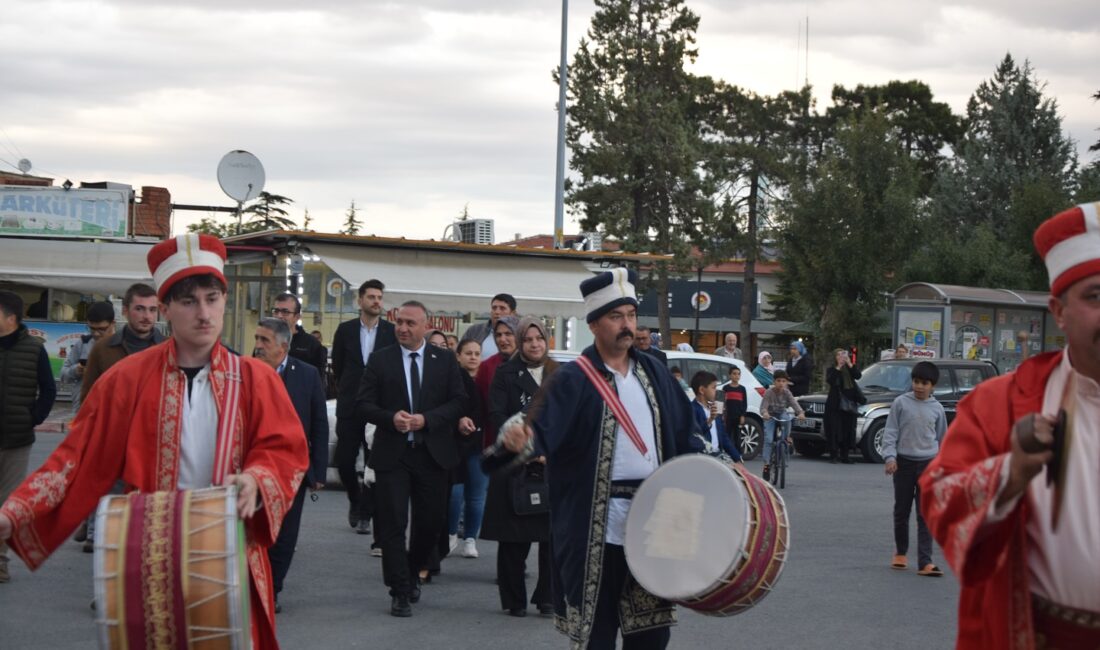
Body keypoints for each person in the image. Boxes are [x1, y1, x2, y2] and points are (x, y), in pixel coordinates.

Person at [0, 234, 308, 647]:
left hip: (231, 553)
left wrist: (256, 477)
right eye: (188, 301)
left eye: (212, 298)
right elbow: (77, 458)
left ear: (224, 300)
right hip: (152, 554)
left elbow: (284, 450)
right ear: (165, 309)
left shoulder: (256, 379)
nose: (204, 313)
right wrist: (15, 512)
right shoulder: (127, 379)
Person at [919, 203, 1100, 648]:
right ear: (1059, 311)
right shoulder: (1000, 403)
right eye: (1096, 296)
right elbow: (938, 496)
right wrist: (1009, 473)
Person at [497, 268, 703, 649]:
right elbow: (540, 429)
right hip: (595, 526)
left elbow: (685, 431)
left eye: (630, 315)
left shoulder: (655, 372)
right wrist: (521, 437)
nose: (627, 325)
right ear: (593, 324)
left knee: (651, 637)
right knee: (597, 636)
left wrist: (715, 470)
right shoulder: (573, 379)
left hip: (654, 526)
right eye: (615, 316)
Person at [357, 301, 470, 618]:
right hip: (393, 455)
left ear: (425, 325)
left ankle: (412, 570)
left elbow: (460, 401)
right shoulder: (381, 360)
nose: (403, 328)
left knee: (430, 525)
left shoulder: (444, 361)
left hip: (431, 455)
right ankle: (399, 590)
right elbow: (363, 403)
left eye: (410, 323)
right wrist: (390, 417)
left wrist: (428, 420)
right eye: (399, 322)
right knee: (392, 524)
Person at [254, 317, 328, 613]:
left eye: (264, 341)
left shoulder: (307, 375)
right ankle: (251, 585)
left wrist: (318, 471)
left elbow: (319, 424)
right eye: (257, 339)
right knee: (254, 531)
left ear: (283, 347)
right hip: (252, 468)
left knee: (284, 534)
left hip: (293, 469)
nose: (257, 346)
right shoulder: (245, 371)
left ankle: (272, 589)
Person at [483, 317, 557, 617]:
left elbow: (569, 418)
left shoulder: (560, 373)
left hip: (551, 463)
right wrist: (525, 446)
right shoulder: (505, 373)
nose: (535, 344)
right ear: (520, 342)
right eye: (528, 339)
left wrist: (547, 451)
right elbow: (497, 414)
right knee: (514, 536)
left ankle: (549, 597)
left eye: (539, 338)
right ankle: (514, 598)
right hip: (514, 460)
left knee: (552, 537)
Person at [0, 290, 57, 585]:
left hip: (16, 440)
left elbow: (48, 390)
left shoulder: (34, 349)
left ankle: (0, 564)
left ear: (11, 319)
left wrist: (32, 418)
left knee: (6, 503)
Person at [331, 279, 396, 535]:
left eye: (379, 297)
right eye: (371, 297)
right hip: (350, 404)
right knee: (344, 461)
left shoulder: (390, 332)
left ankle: (366, 513)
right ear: (360, 301)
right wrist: (349, 389)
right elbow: (338, 365)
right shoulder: (345, 330)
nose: (376, 301)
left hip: (378, 406)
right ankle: (354, 498)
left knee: (374, 463)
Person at [881, 361, 946, 577]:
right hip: (903, 463)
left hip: (929, 464)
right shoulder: (901, 403)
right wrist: (890, 457)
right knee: (902, 510)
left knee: (925, 514)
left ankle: (925, 562)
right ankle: (900, 553)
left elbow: (941, 438)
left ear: (933, 386)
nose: (919, 386)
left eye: (924, 383)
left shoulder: (937, 409)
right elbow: (890, 432)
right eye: (916, 382)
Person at [80, 283, 164, 405]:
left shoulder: (171, 349)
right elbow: (88, 399)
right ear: (125, 311)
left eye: (152, 309)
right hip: (115, 422)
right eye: (139, 309)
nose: (147, 316)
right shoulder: (103, 348)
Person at [447, 339, 488, 557]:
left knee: (476, 496)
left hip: (480, 445)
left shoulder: (487, 379)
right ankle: (451, 533)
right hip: (454, 445)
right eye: (468, 353)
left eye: (477, 353)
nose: (473, 357)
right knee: (455, 493)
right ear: (458, 356)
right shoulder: (451, 378)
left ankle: (471, 539)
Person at [59, 301, 115, 413]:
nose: (96, 334)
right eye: (92, 328)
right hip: (83, 410)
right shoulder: (83, 343)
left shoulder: (122, 345)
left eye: (101, 329)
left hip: (111, 410)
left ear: (113, 324)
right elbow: (63, 375)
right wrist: (76, 370)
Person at [474, 316, 519, 450]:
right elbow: (479, 405)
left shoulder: (531, 364)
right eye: (498, 335)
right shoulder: (487, 366)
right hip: (495, 439)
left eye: (508, 334)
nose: (502, 339)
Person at [760, 370, 806, 481]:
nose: (781, 383)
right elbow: (763, 407)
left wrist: (800, 412)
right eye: (778, 381)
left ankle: (786, 438)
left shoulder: (787, 393)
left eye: (783, 381)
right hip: (770, 415)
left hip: (781, 413)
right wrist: (765, 413)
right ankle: (766, 465)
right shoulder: (769, 393)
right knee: (769, 439)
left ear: (786, 382)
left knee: (788, 419)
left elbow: (795, 404)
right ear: (774, 381)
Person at [270, 293, 327, 377]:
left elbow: (318, 379)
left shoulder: (311, 344)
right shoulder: (265, 340)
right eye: (276, 311)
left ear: (297, 317)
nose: (279, 316)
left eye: (285, 312)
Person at [690, 371, 742, 461]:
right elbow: (695, 436)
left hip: (718, 456)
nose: (716, 391)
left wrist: (737, 457)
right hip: (703, 458)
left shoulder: (714, 408)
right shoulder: (692, 410)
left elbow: (723, 436)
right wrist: (709, 420)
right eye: (713, 388)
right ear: (702, 390)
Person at [825, 348, 862, 464]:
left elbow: (858, 376)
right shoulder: (832, 369)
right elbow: (830, 380)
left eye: (843, 354)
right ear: (835, 357)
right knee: (835, 429)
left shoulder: (849, 369)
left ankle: (845, 455)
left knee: (848, 429)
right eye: (839, 355)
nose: (841, 357)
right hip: (835, 404)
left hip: (849, 404)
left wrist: (849, 363)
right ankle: (833, 455)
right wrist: (839, 367)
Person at [460, 293, 516, 358]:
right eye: (494, 308)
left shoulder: (520, 333)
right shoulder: (475, 331)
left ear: (513, 313)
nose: (497, 312)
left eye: (502, 308)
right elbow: (460, 352)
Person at [723, 365, 748, 450]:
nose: (736, 376)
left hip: (738, 417)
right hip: (728, 417)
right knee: (727, 435)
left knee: (738, 437)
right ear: (730, 375)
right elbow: (723, 403)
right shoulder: (726, 388)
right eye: (734, 374)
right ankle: (727, 453)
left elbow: (744, 404)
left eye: (738, 374)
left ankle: (738, 455)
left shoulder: (742, 389)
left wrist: (742, 415)